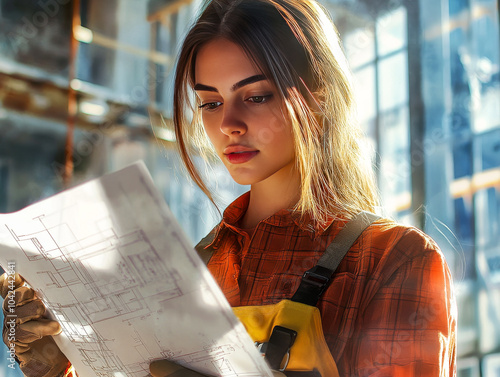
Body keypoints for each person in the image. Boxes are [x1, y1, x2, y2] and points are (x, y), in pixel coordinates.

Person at [2, 0, 457, 376]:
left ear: (318, 97)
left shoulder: (393, 261)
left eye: (256, 96)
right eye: (210, 102)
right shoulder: (186, 270)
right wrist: (55, 370)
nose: (228, 125)